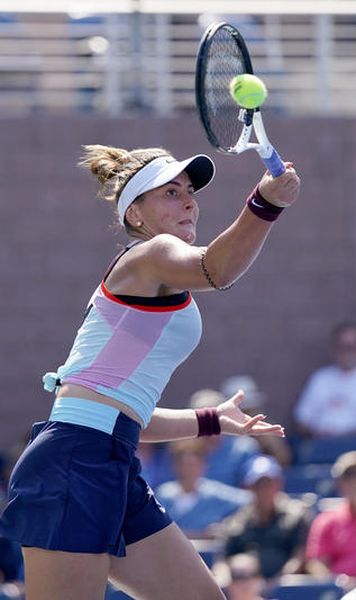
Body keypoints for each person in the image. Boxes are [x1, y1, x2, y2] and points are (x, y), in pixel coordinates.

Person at [0, 144, 300, 600]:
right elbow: (217, 269)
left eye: (189, 191)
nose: (189, 201)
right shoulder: (153, 253)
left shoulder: (156, 275)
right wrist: (265, 203)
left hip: (109, 459)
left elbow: (121, 414)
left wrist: (212, 419)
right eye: (171, 192)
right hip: (74, 463)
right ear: (136, 215)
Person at [220, 455, 312, 581]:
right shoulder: (237, 523)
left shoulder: (296, 517)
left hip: (283, 590)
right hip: (246, 590)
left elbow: (299, 557)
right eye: (258, 484)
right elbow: (224, 561)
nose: (263, 489)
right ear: (249, 488)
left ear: (279, 484)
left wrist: (276, 584)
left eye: (268, 483)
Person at [155, 438, 251, 538]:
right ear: (174, 466)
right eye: (184, 464)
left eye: (193, 464)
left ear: (204, 465)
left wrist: (228, 525)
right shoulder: (163, 494)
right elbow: (157, 528)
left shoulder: (216, 492)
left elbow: (250, 501)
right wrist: (200, 534)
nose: (188, 470)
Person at [294, 322, 356, 437]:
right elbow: (302, 418)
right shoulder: (320, 378)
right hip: (321, 442)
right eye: (341, 346)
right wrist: (315, 433)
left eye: (350, 348)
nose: (346, 353)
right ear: (334, 348)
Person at [189, 388, 261, 487]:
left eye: (212, 417)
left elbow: (253, 491)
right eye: (201, 419)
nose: (207, 423)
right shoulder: (183, 450)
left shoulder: (244, 448)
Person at [305, 451, 356, 589]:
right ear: (340, 483)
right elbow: (316, 563)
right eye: (349, 477)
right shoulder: (326, 521)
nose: (354, 482)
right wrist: (338, 585)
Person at [220, 376, 292, 467]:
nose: (246, 414)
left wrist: (270, 444)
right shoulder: (218, 433)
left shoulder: (266, 428)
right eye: (241, 410)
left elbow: (284, 462)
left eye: (250, 409)